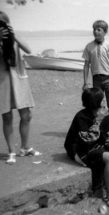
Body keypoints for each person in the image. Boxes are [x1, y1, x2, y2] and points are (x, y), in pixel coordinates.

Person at [64, 87, 109, 208]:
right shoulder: (81, 117)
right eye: (102, 99)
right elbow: (88, 139)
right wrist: (98, 120)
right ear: (95, 102)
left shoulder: (105, 114)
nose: (105, 101)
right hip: (83, 149)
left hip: (99, 145)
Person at [0, 11, 40, 164]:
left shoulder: (14, 39)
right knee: (7, 116)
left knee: (26, 115)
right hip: (2, 81)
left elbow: (28, 49)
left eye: (4, 23)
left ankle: (25, 147)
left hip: (19, 80)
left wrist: (13, 33)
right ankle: (11, 151)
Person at [82, 20, 109, 139]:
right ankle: (97, 129)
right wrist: (85, 82)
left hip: (108, 79)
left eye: (99, 29)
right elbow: (86, 65)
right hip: (96, 80)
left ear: (105, 32)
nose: (96, 31)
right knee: (96, 106)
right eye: (94, 29)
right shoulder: (89, 47)